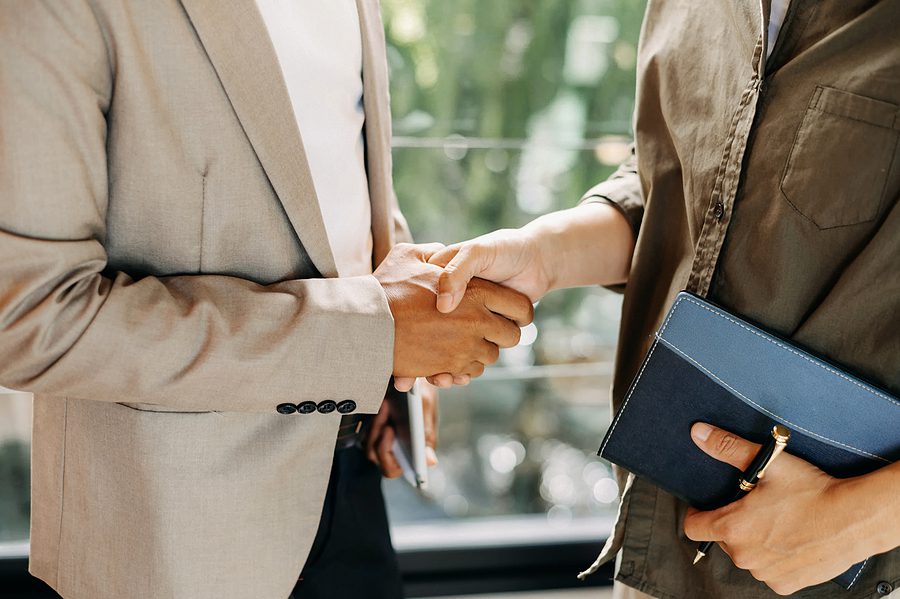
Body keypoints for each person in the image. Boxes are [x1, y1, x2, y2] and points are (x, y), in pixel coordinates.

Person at [0, 1, 533, 598]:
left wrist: (395, 363)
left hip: (355, 485)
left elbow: (333, 179)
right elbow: (31, 318)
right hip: (175, 540)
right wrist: (370, 338)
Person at [421, 0, 900, 597]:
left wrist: (859, 518)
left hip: (857, 572)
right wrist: (542, 252)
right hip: (665, 544)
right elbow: (677, 192)